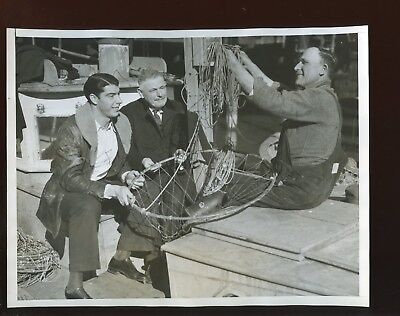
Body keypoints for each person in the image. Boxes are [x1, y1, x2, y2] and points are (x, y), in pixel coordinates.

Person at [36, 73, 149, 299]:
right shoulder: (72, 129)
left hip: (100, 181)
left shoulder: (119, 124)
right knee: (87, 206)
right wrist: (111, 190)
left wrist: (127, 176)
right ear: (94, 99)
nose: (118, 101)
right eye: (111, 96)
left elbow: (120, 160)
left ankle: (120, 258)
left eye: (118, 94)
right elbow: (70, 177)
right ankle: (75, 284)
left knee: (145, 191)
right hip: (67, 190)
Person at [120, 69, 209, 296]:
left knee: (178, 198)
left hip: (175, 172)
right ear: (141, 93)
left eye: (162, 88)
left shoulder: (179, 110)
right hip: (148, 174)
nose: (160, 94)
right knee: (147, 199)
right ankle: (154, 264)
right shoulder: (128, 114)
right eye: (153, 90)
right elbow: (124, 151)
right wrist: (142, 160)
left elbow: (185, 145)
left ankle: (166, 262)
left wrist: (181, 152)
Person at [225, 47, 347, 209]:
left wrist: (231, 64)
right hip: (305, 185)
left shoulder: (320, 99)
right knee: (241, 163)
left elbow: (274, 100)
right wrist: (246, 61)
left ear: (322, 70)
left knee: (227, 191)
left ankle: (188, 222)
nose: (296, 67)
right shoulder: (320, 95)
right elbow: (272, 88)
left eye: (304, 62)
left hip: (298, 190)